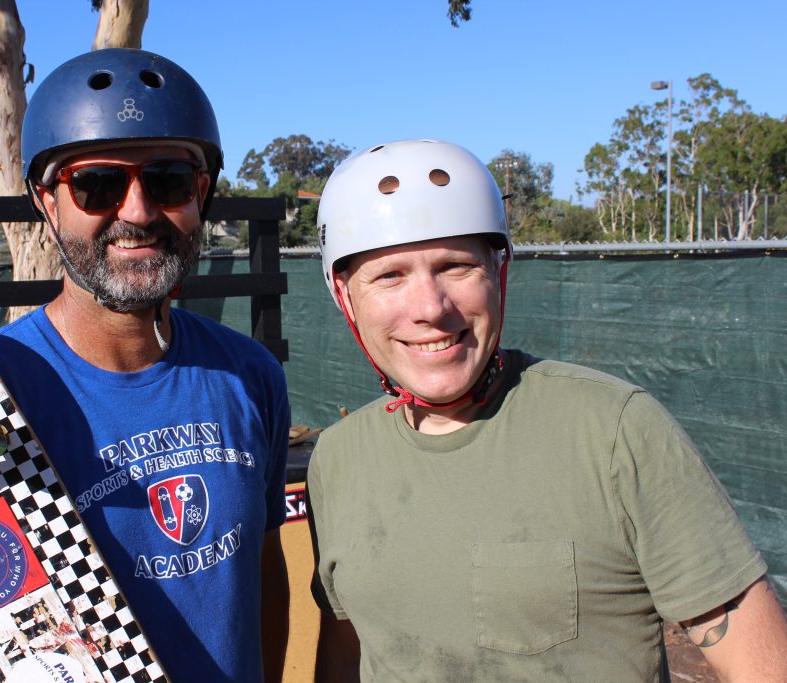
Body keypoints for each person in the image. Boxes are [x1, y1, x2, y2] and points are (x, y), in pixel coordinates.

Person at [0, 48, 290, 683]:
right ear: (47, 202)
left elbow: (263, 579)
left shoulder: (250, 375)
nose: (137, 212)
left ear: (202, 193)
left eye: (169, 180)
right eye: (97, 183)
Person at [306, 138, 787, 682]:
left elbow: (762, 666)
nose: (430, 309)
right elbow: (346, 648)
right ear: (346, 296)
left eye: (456, 266)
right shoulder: (339, 457)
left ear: (497, 271)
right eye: (390, 276)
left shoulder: (613, 431)